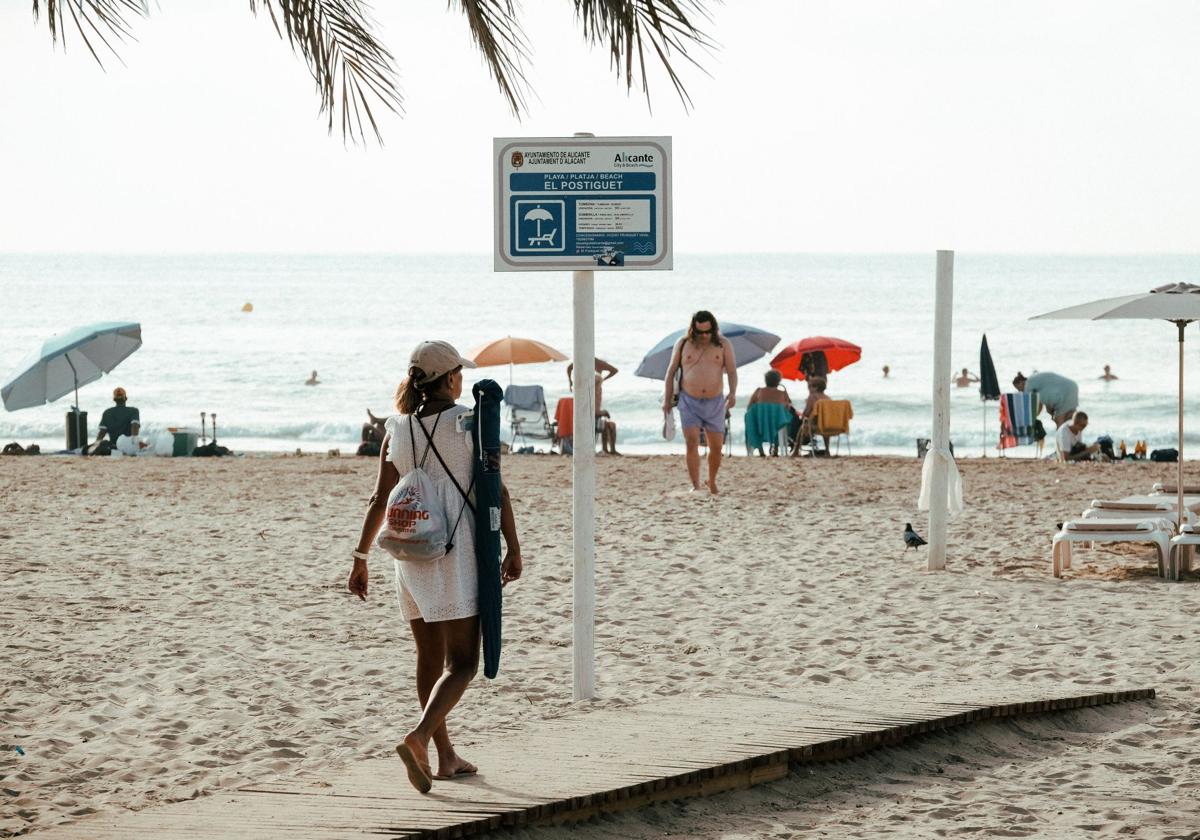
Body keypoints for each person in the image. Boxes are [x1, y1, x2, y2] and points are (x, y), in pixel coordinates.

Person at [348, 340, 523, 794]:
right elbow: (495, 489)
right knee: (462, 661)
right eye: (458, 373)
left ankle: (445, 757)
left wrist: (360, 557)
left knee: (428, 657)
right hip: (455, 549)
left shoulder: (396, 428)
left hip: (408, 549)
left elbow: (378, 499)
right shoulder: (468, 422)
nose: (462, 379)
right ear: (449, 379)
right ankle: (420, 737)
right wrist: (513, 545)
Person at [663, 311, 737, 494]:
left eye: (707, 332)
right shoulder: (683, 344)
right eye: (699, 332)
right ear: (693, 329)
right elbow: (671, 372)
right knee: (691, 442)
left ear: (713, 329)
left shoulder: (723, 344)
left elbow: (732, 371)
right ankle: (695, 484)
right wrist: (666, 400)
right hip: (689, 400)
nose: (704, 336)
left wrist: (733, 392)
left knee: (716, 446)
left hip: (715, 401)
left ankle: (711, 480)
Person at [567, 358, 620, 455]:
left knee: (608, 424)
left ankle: (608, 449)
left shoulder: (588, 362)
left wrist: (570, 381)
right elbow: (570, 368)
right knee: (609, 424)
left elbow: (569, 368)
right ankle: (609, 449)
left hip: (591, 410)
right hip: (591, 412)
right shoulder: (592, 379)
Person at [747, 370, 795, 456]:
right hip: (777, 423)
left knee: (750, 418)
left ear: (766, 380)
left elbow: (750, 406)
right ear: (778, 381)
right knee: (785, 421)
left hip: (760, 423)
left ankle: (760, 450)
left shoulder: (759, 391)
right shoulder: (782, 393)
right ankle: (776, 449)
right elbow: (787, 408)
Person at [1013, 371, 1079, 429]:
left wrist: (1031, 419)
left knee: (1060, 423)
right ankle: (1075, 441)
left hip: (1064, 394)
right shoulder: (1035, 381)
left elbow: (1037, 406)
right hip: (1072, 386)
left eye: (1018, 388)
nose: (1020, 391)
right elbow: (1047, 402)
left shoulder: (1028, 386)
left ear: (1021, 383)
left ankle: (1061, 442)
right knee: (1072, 420)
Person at [88, 387, 140, 455]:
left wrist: (95, 445)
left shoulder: (107, 413)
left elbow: (102, 433)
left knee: (98, 446)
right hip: (128, 446)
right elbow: (135, 426)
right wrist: (134, 442)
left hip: (113, 446)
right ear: (126, 398)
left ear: (114, 399)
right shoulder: (133, 411)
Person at [793, 376, 832, 454]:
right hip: (827, 425)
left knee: (802, 428)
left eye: (809, 386)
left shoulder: (812, 397)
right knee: (825, 432)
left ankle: (796, 450)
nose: (808, 389)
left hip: (815, 425)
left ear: (815, 388)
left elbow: (807, 412)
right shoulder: (828, 398)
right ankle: (827, 449)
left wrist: (802, 416)